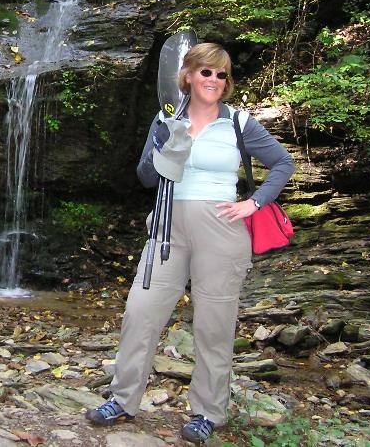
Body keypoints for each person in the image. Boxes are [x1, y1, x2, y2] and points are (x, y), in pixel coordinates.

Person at [85, 42, 294, 443]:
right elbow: (146, 176)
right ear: (188, 75)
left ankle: (207, 413)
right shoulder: (164, 120)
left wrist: (254, 202)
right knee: (140, 313)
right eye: (206, 72)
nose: (214, 79)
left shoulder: (239, 123)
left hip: (221, 229)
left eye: (222, 75)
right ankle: (123, 399)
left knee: (213, 326)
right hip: (167, 227)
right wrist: (167, 147)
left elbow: (283, 163)